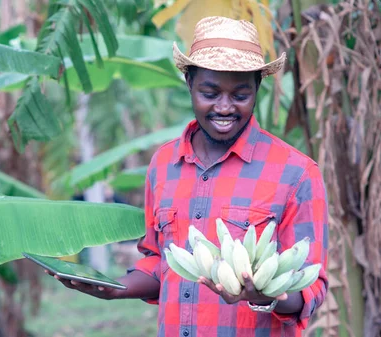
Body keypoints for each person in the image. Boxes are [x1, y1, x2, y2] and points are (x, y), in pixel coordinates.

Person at [48, 16, 329, 337]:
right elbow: (162, 261)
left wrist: (265, 295)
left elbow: (312, 286)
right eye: (210, 92)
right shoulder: (164, 164)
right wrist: (113, 287)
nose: (224, 107)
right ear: (189, 83)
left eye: (240, 95)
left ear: (257, 88)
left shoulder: (297, 172)